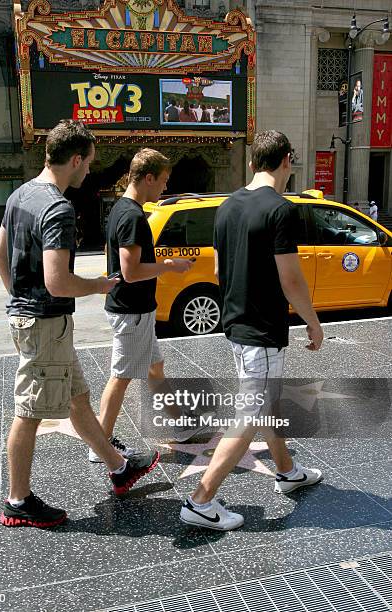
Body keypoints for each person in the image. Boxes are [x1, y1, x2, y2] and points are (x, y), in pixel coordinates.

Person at [0, 120, 159, 529]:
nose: (90, 171)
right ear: (75, 159)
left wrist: (19, 300)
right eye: (89, 163)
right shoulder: (57, 206)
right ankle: (17, 500)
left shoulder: (20, 195)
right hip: (45, 322)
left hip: (37, 319)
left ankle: (119, 466)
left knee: (78, 398)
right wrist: (100, 286)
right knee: (29, 410)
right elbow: (57, 280)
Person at [180, 130, 324, 531]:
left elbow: (217, 270)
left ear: (251, 162)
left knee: (266, 402)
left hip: (237, 324)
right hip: (262, 329)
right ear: (287, 161)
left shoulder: (227, 207)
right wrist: (313, 324)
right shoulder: (281, 210)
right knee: (251, 412)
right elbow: (291, 279)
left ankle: (287, 471)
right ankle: (200, 499)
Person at [88, 148, 195, 463]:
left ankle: (179, 426)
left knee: (154, 368)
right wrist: (170, 266)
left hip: (135, 310)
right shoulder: (133, 216)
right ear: (148, 177)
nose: (164, 188)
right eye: (163, 181)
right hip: (131, 311)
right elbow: (130, 272)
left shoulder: (123, 209)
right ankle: (101, 445)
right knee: (120, 377)